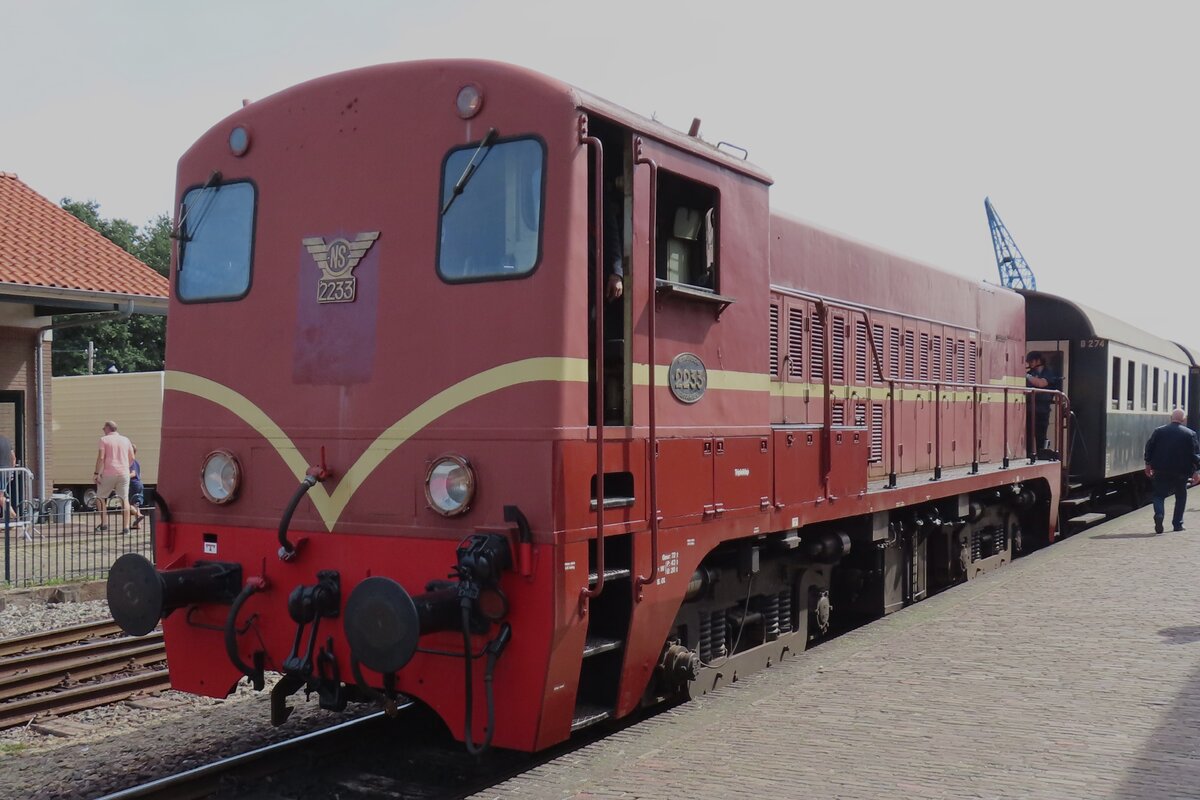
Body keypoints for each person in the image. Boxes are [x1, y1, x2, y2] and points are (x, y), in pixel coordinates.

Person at [1144, 408, 1200, 533]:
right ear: (1184, 419)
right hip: (1182, 471)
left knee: (1159, 495)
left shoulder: (1159, 431)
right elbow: (1195, 454)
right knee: (1181, 496)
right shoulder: (1190, 434)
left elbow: (1149, 448)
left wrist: (1148, 463)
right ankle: (1177, 524)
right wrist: (1196, 471)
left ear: (1171, 418)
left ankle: (1159, 514)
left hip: (1161, 470)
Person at [93, 420, 135, 535]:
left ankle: (104, 524)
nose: (103, 430)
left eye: (103, 428)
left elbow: (101, 458)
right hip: (124, 474)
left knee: (100, 498)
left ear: (107, 428)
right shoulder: (126, 440)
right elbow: (132, 456)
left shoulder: (104, 440)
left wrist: (96, 473)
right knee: (124, 499)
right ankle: (126, 527)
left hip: (109, 473)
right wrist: (126, 466)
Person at [1025, 351, 1062, 456]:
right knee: (1029, 432)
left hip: (1042, 409)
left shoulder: (1047, 372)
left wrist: (1027, 377)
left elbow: (1041, 383)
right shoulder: (1031, 372)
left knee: (1041, 433)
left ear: (1038, 360)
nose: (1029, 363)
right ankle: (1029, 453)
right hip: (1030, 408)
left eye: (1031, 361)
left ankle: (1041, 452)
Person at [128, 444, 145, 529]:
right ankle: (137, 524)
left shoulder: (131, 462)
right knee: (136, 504)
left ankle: (138, 514)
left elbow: (133, 473)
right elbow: (139, 474)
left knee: (127, 504)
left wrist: (123, 476)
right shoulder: (137, 462)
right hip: (139, 483)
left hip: (133, 484)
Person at [0, 433, 13, 520]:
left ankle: (13, 515)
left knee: (0, 497)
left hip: (1, 472)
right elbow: (14, 457)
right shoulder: (7, 440)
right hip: (7, 472)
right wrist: (12, 470)